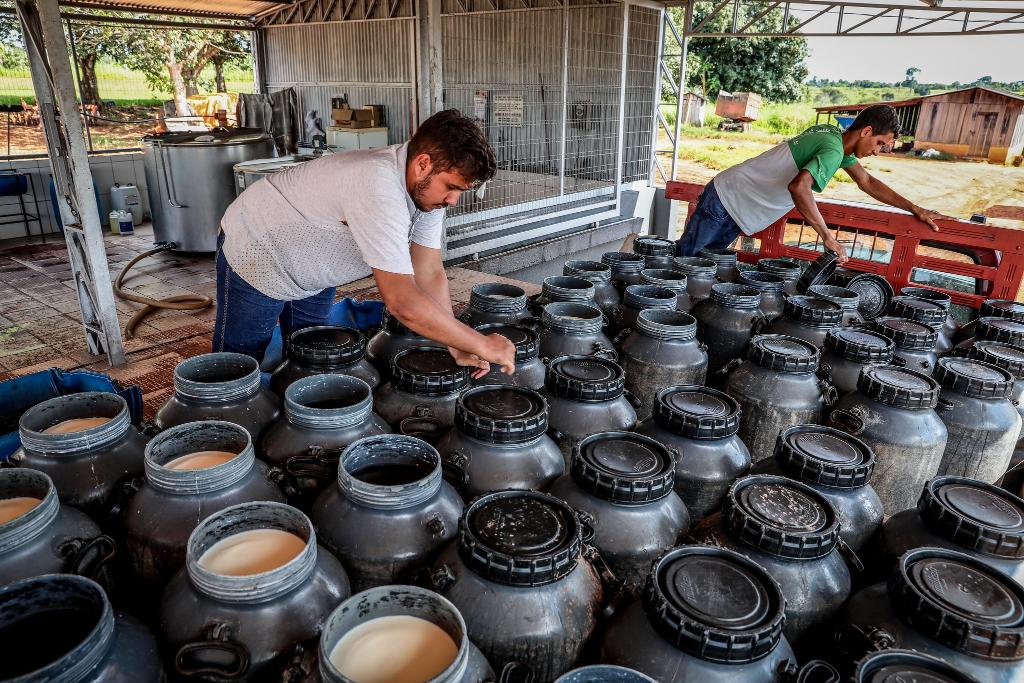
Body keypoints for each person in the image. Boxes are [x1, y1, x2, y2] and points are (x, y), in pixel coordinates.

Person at [213, 109, 516, 378]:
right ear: (424, 163)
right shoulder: (377, 184)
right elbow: (401, 302)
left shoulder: (426, 194)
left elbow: (429, 272)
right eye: (451, 187)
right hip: (258, 250)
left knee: (311, 355)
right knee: (237, 367)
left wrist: (457, 344)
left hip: (312, 268)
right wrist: (481, 343)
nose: (453, 200)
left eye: (460, 191)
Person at [677, 105, 943, 262]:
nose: (877, 151)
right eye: (879, 143)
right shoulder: (833, 150)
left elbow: (867, 182)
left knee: (701, 266)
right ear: (866, 132)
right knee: (683, 264)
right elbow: (799, 187)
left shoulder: (834, 138)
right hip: (726, 199)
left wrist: (914, 208)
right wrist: (827, 236)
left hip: (736, 205)